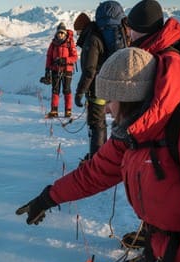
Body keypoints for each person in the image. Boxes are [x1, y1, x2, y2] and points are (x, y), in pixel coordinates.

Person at [16, 47, 180, 262]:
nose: (104, 109)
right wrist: (49, 197)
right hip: (162, 258)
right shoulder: (132, 134)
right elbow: (94, 174)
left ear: (130, 100)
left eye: (109, 100)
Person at [121, 0, 180, 262]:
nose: (129, 37)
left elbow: (159, 111)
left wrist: (134, 133)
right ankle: (152, 241)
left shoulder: (164, 59)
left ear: (141, 31)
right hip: (165, 146)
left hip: (174, 146)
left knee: (169, 198)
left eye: (132, 31)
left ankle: (160, 256)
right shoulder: (154, 52)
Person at [73, 12, 107, 160]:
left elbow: (89, 71)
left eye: (77, 31)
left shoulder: (91, 40)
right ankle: (101, 155)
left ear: (82, 28)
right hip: (103, 85)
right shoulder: (96, 35)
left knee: (96, 124)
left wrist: (80, 92)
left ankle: (96, 159)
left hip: (96, 88)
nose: (77, 34)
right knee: (100, 123)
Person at [42, 22, 78, 118]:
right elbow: (49, 57)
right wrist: (47, 69)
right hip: (55, 70)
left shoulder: (70, 43)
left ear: (65, 33)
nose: (60, 34)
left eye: (62, 33)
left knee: (66, 90)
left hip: (67, 70)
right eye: (59, 33)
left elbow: (75, 57)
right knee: (55, 90)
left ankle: (68, 111)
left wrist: (64, 60)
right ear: (56, 33)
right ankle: (54, 111)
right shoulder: (53, 44)